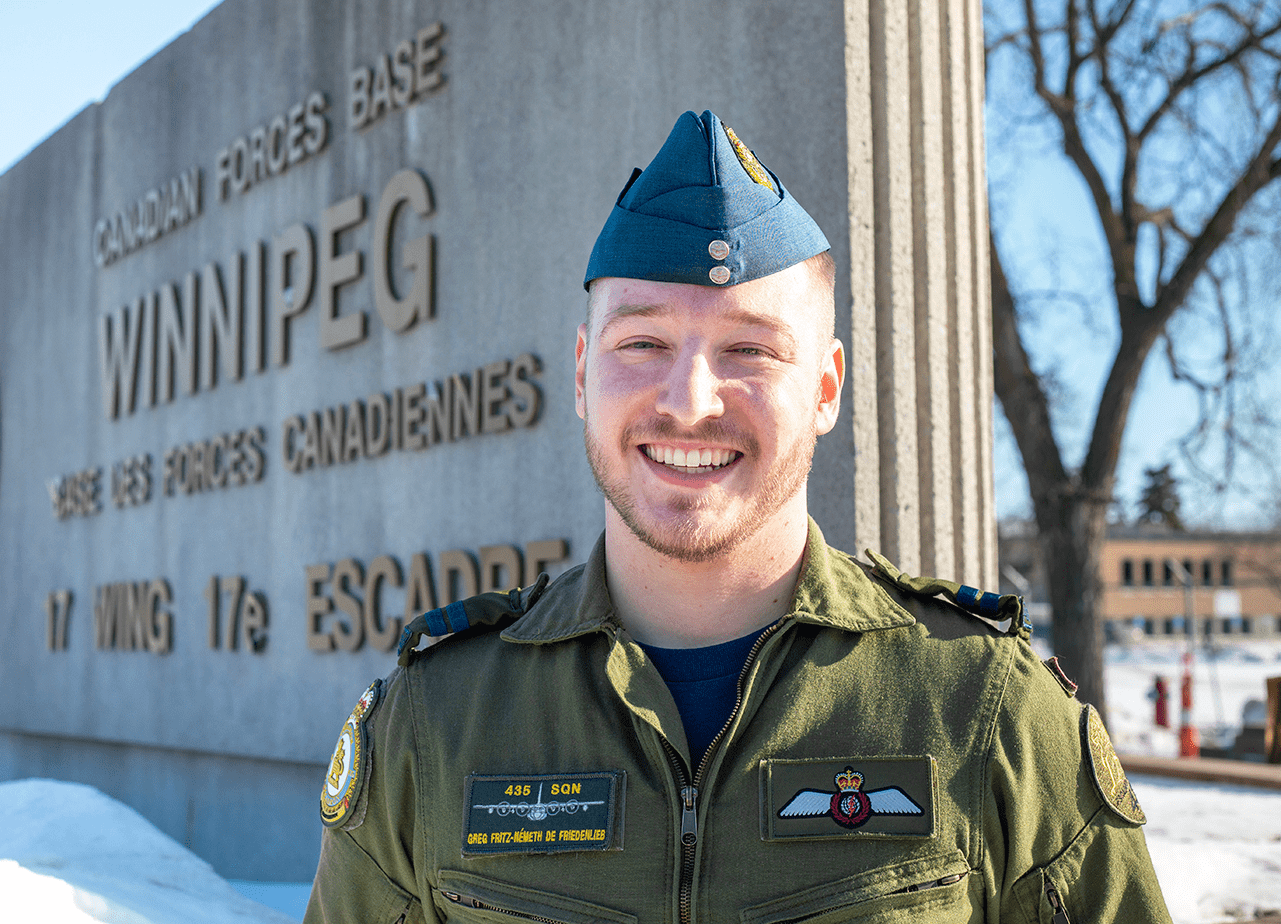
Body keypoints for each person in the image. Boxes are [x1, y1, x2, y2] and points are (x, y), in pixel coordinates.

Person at [304, 110, 1171, 923]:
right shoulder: (435, 721)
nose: (688, 401)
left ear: (825, 388)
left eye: (748, 348)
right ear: (581, 374)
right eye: (642, 343)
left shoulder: (988, 708)